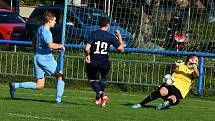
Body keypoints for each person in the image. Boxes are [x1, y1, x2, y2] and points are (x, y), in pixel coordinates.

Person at [9, 11, 66, 104]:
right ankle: (58, 101)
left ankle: (15, 85)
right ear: (50, 20)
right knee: (61, 77)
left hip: (38, 57)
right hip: (45, 59)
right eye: (54, 20)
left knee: (40, 85)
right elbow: (50, 45)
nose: (55, 22)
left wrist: (36, 51)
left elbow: (34, 40)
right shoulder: (47, 32)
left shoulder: (40, 29)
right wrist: (61, 46)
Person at [131, 54, 199, 110]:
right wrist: (175, 64)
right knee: (163, 91)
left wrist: (194, 67)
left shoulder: (193, 70)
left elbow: (197, 76)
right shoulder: (181, 65)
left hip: (180, 91)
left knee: (173, 98)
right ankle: (140, 104)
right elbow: (173, 69)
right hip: (171, 85)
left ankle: (164, 105)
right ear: (190, 60)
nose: (197, 62)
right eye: (196, 60)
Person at [85, 17, 124, 107]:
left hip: (93, 61)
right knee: (103, 79)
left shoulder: (93, 34)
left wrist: (87, 55)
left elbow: (87, 48)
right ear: (107, 25)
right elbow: (121, 49)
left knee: (92, 80)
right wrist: (119, 36)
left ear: (99, 25)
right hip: (104, 62)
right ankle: (101, 97)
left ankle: (100, 96)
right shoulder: (110, 36)